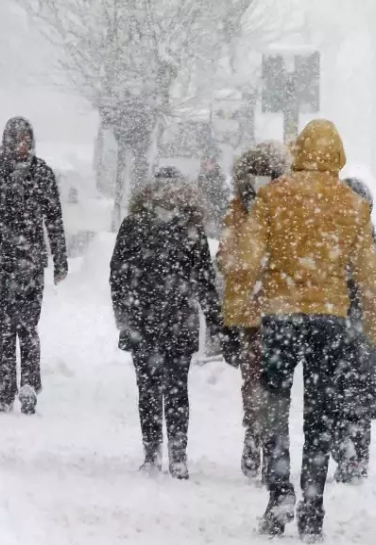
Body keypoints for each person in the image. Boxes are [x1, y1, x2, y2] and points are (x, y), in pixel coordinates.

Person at [235, 120, 376, 541]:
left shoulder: (272, 197)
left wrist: (239, 310)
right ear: (336, 154)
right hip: (330, 320)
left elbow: (246, 261)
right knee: (321, 414)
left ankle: (279, 489)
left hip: (281, 316)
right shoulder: (351, 206)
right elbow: (369, 275)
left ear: (299, 151)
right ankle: (314, 504)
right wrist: (374, 324)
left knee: (275, 408)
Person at [110, 176, 221, 479]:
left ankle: (162, 451)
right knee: (168, 390)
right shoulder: (185, 229)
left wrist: (125, 314)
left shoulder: (139, 225)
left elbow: (119, 275)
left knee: (158, 389)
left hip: (155, 321)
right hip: (167, 321)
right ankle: (168, 453)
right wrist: (214, 321)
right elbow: (205, 281)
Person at [0, 118, 68, 414]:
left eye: (26, 139)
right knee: (5, 328)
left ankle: (28, 385)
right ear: (8, 141)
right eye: (17, 139)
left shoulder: (42, 173)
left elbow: (54, 219)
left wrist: (60, 259)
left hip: (32, 262)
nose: (22, 145)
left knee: (28, 326)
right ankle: (5, 390)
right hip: (1, 263)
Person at [217, 141, 288, 480]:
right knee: (256, 379)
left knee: (264, 380)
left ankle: (262, 436)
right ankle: (257, 434)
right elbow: (225, 256)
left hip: (270, 308)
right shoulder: (240, 211)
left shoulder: (280, 208)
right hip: (256, 309)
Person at [332, 178, 376, 482]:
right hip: (366, 335)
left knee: (336, 399)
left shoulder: (330, 241)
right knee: (357, 404)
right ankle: (354, 459)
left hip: (341, 331)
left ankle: (344, 450)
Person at [197, 149, 230, 239]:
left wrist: (218, 208)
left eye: (210, 163)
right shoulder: (200, 178)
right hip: (205, 212)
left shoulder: (220, 178)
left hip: (217, 211)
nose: (207, 165)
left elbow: (224, 195)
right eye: (205, 163)